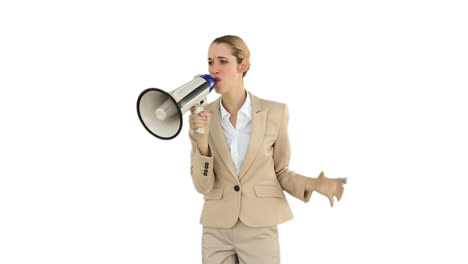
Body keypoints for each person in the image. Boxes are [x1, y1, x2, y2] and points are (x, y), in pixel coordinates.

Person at [188, 35, 347, 264]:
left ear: (243, 65)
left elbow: (280, 172)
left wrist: (314, 184)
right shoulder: (202, 117)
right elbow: (202, 185)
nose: (214, 69)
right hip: (216, 227)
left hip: (259, 226)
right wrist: (202, 143)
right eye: (210, 62)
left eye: (223, 61)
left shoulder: (275, 113)